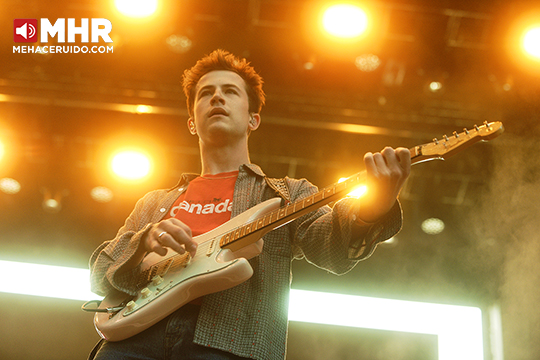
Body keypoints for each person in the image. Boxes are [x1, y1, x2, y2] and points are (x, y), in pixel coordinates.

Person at [88, 49, 411, 360]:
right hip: (133, 341)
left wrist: (375, 206)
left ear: (253, 119)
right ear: (191, 122)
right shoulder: (155, 202)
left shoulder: (287, 194)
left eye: (230, 91)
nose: (216, 97)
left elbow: (332, 246)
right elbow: (101, 273)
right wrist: (144, 241)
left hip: (231, 344)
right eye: (205, 93)